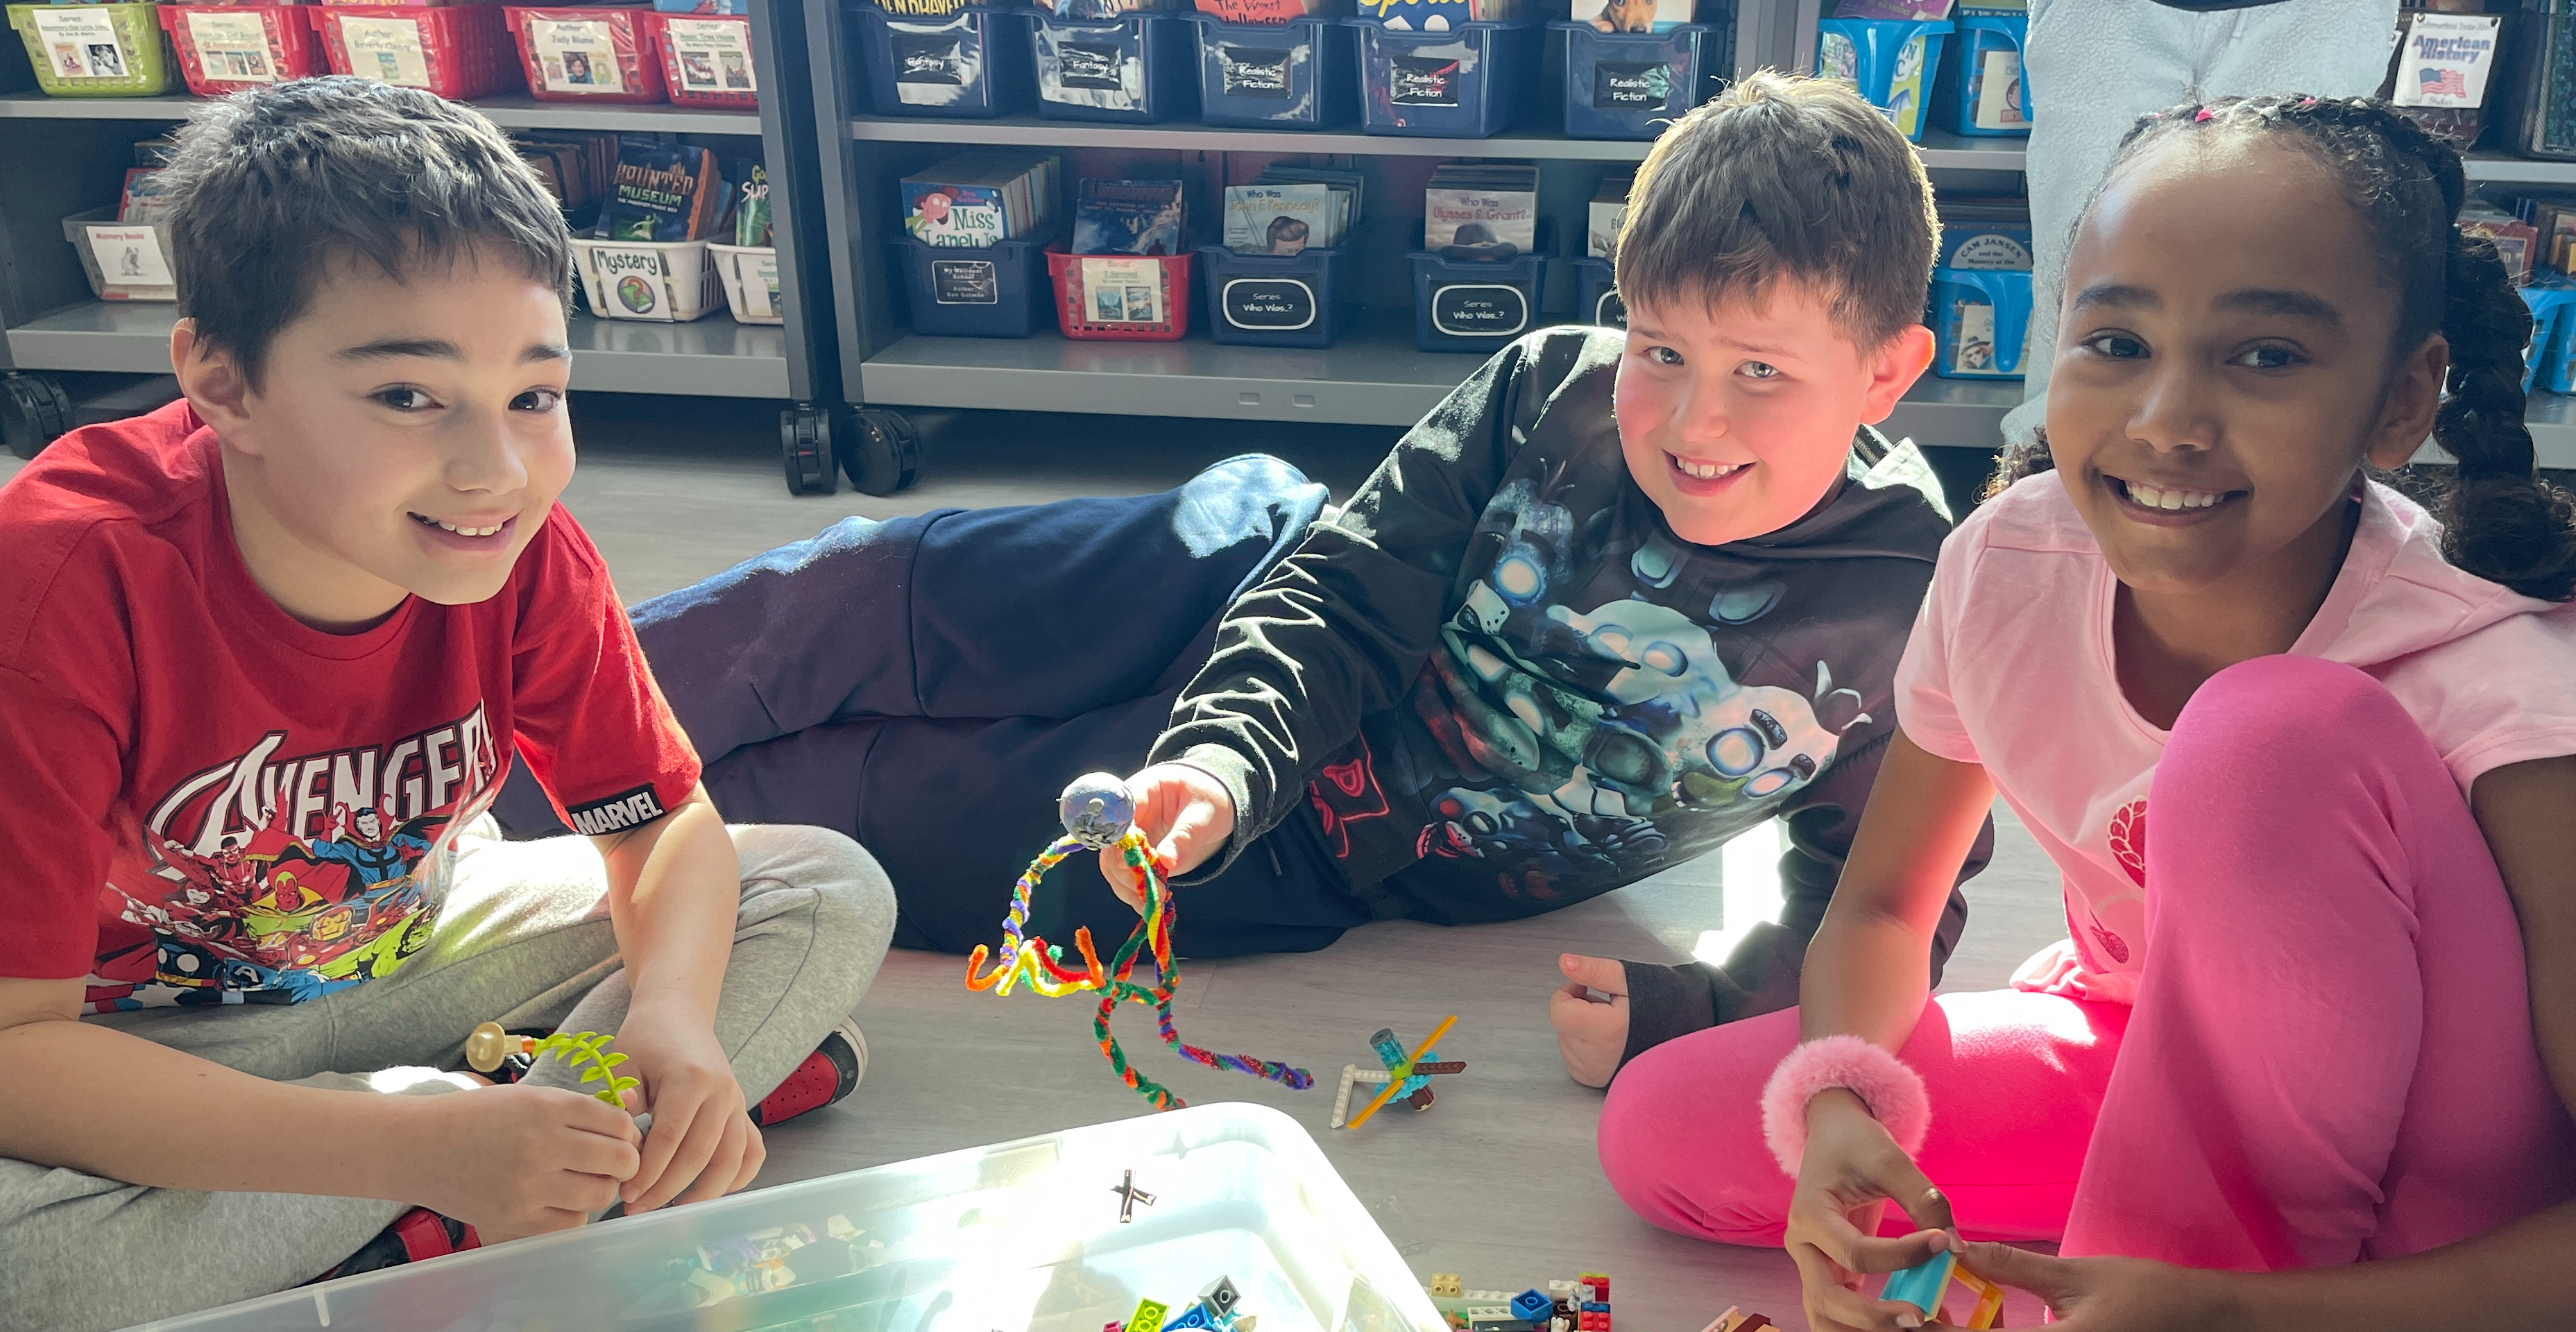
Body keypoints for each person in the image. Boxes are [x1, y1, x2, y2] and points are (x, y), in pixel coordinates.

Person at [514, 71, 1988, 1075]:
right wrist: (1220, 755)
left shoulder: (1922, 602)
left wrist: (1695, 1015)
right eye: (1660, 348)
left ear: (1888, 375)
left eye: (1759, 374)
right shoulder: (1550, 387)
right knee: (844, 606)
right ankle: (458, 764)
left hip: (1321, 854)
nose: (1692, 418)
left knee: (835, 820)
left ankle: (476, 879)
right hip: (1222, 583)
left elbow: (1882, 896)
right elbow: (1344, 592)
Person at [1596, 93, 2576, 1331]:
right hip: (2165, 1050)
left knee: (2267, 736)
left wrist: (2234, 1310)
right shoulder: (2007, 568)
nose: (2166, 424)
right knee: (1670, 1130)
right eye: (2116, 344)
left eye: (2265, 357)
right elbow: (1886, 905)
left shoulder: (2503, 670)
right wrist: (1839, 1102)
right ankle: (2168, 1234)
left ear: (2402, 400)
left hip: (2445, 1188)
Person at [0, 79, 897, 1332]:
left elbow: (664, 830)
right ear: (222, 380)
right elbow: (16, 1052)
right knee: (27, 1276)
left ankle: (513, 1153)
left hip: (410, 952)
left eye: (534, 395)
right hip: (139, 1047)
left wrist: (677, 1024)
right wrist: (411, 1145)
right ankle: (505, 1166)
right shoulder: (59, 583)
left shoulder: (517, 543)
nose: (496, 471)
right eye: (409, 396)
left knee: (819, 883)